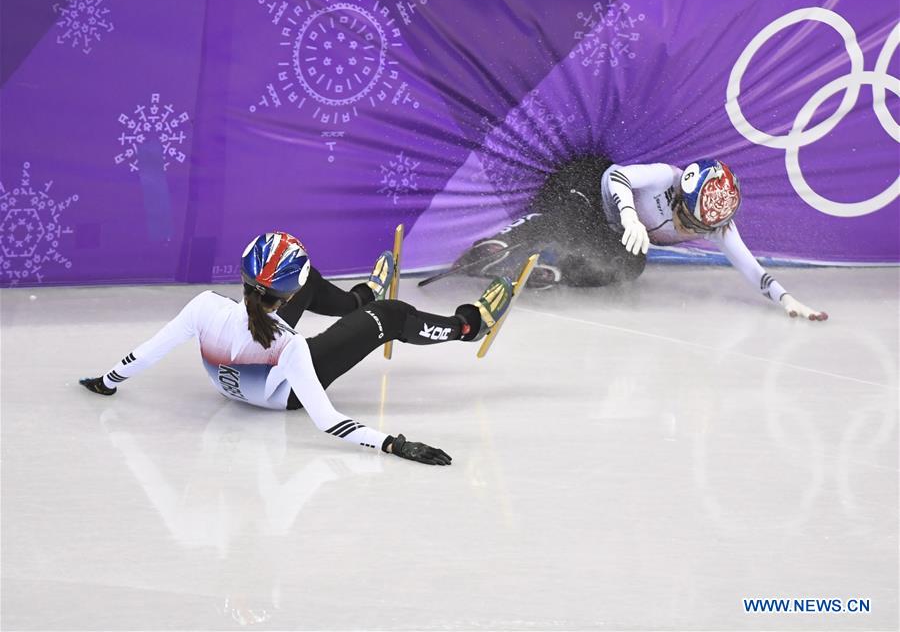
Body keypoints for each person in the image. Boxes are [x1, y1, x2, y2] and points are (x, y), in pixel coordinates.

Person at [79, 231, 515, 465]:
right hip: (279, 394)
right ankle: (468, 326)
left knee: (319, 285)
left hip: (229, 382)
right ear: (284, 299)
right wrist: (394, 445)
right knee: (392, 315)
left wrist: (107, 381)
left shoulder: (204, 306)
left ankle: (360, 296)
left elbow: (149, 352)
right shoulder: (290, 346)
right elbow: (327, 421)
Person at [452, 155, 827, 321]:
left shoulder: (717, 225)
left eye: (701, 229)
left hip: (605, 229)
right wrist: (630, 215)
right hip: (585, 182)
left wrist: (788, 299)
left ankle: (558, 271)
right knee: (572, 217)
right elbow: (615, 176)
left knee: (632, 264)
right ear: (681, 197)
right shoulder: (666, 176)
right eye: (689, 222)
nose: (692, 232)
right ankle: (510, 236)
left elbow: (753, 270)